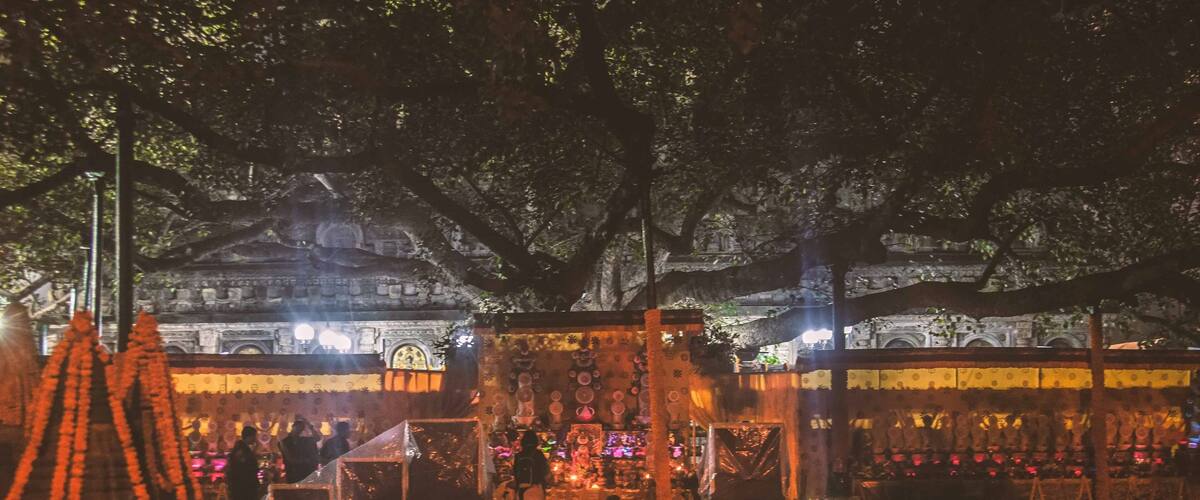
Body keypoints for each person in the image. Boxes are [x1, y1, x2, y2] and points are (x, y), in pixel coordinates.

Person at [279, 418, 320, 483]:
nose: (299, 430)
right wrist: (307, 461)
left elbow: (317, 438)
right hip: (292, 473)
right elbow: (290, 459)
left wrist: (310, 426)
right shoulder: (285, 442)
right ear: (293, 427)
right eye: (298, 427)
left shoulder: (304, 440)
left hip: (305, 473)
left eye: (301, 428)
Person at [511, 431, 549, 500]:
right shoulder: (539, 454)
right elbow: (545, 471)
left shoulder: (518, 455)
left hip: (521, 489)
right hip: (536, 487)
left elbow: (515, 473)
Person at [226, 426, 261, 500]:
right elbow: (246, 465)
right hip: (244, 486)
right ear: (249, 437)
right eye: (254, 436)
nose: (255, 439)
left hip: (242, 485)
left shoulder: (242, 448)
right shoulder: (241, 449)